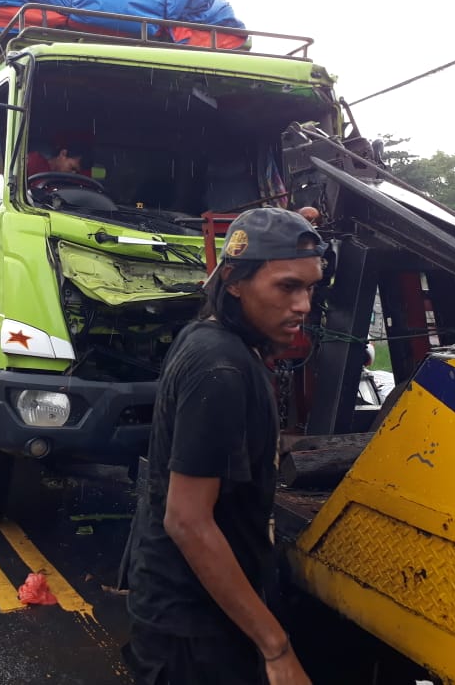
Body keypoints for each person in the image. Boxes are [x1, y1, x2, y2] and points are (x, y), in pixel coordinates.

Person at [124, 206, 321, 685]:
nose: (303, 306)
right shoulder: (220, 368)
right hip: (191, 632)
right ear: (234, 282)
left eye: (310, 287)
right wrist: (276, 649)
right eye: (287, 287)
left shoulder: (215, 336)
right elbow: (187, 521)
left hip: (205, 616)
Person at [27, 138, 92, 176]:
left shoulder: (66, 182)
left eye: (76, 172)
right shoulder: (34, 161)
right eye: (72, 168)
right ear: (63, 153)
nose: (73, 173)